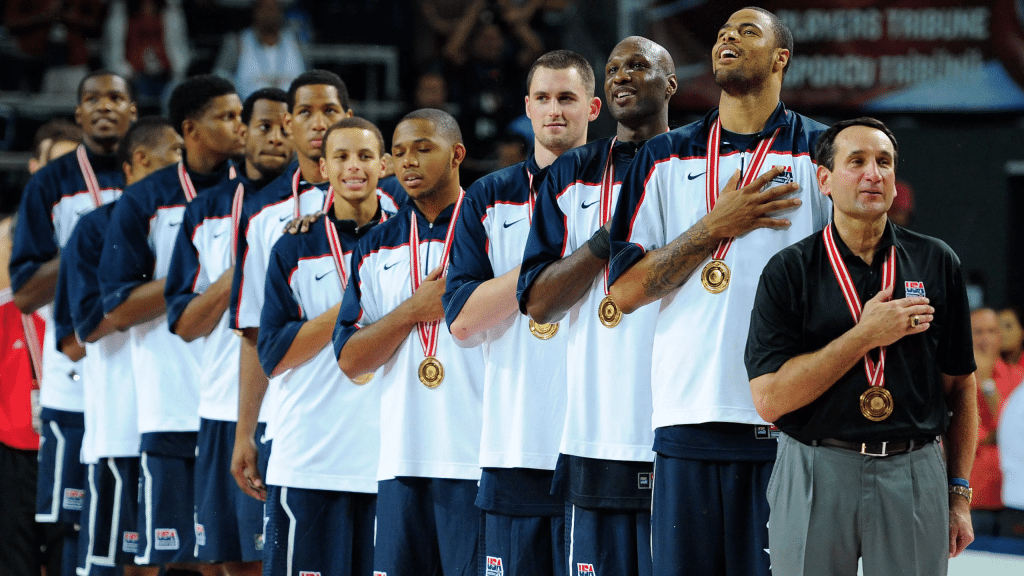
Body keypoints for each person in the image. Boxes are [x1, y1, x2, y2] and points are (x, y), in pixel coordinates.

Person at [606, 8, 831, 575]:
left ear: (782, 58)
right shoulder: (663, 156)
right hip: (688, 417)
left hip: (792, 423)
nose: (728, 36)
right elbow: (625, 292)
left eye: (748, 30)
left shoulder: (820, 153)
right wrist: (714, 226)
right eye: (722, 31)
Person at [745, 117, 977, 575]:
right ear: (825, 180)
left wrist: (959, 493)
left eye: (884, 162)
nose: (874, 173)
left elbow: (961, 387)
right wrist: (864, 335)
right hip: (815, 465)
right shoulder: (789, 270)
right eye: (857, 161)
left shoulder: (936, 261)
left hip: (914, 470)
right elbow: (770, 400)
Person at [516, 37, 676, 576]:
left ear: (671, 84)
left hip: (683, 426)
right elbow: (538, 303)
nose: (622, 76)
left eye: (638, 65)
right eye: (612, 69)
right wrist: (609, 238)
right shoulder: (571, 173)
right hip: (597, 429)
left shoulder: (698, 165)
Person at [444, 49, 600, 575]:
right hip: (517, 442)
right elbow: (463, 319)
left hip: (604, 439)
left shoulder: (625, 186)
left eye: (568, 98)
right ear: (527, 107)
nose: (555, 109)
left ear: (593, 108)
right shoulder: (489, 196)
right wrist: (557, 265)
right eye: (543, 98)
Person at [99, 74, 242, 574]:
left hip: (239, 403)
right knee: (172, 559)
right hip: (172, 402)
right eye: (227, 117)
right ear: (192, 129)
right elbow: (115, 308)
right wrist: (194, 278)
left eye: (242, 115)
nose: (241, 127)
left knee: (235, 554)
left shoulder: (255, 195)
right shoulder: (145, 199)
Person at [333, 109, 484, 576]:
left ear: (457, 154)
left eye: (423, 148)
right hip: (401, 458)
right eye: (398, 153)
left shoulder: (491, 228)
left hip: (480, 456)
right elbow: (351, 359)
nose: (408, 162)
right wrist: (411, 312)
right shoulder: (375, 245)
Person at [9, 69, 137, 576]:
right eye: (93, 99)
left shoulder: (153, 177)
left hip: (140, 367)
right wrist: (90, 248)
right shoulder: (49, 184)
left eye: (117, 97)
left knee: (136, 517)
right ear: (79, 112)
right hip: (75, 369)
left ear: (133, 109)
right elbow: (23, 292)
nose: (105, 106)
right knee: (70, 520)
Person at [226, 70, 355, 567]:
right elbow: (254, 332)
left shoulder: (394, 207)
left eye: (330, 111)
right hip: (300, 427)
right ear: (288, 123)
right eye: (305, 112)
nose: (319, 123)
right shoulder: (264, 219)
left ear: (349, 116)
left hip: (381, 426)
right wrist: (245, 432)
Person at [257, 117, 395, 575]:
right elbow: (273, 357)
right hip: (309, 456)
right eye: (341, 156)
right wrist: (348, 307)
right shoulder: (293, 246)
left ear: (385, 164)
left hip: (389, 458)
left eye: (364, 156)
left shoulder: (408, 238)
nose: (353, 167)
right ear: (322, 168)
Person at [54, 116, 182, 576]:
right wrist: (178, 287)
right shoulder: (95, 228)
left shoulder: (203, 216)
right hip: (123, 425)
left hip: (189, 420)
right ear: (143, 161)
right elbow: (77, 334)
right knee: (126, 567)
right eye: (178, 155)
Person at [162, 91, 275, 573]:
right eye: (260, 125)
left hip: (287, 407)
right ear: (242, 132)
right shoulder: (204, 210)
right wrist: (241, 274)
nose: (273, 136)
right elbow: (184, 324)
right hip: (218, 405)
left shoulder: (317, 205)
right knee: (222, 561)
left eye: (281, 125)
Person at [970, 307, 1022, 536]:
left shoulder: (1017, 376)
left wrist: (987, 382)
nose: (985, 338)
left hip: (1009, 500)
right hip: (968, 498)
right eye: (977, 331)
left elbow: (1010, 431)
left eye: (991, 331)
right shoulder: (951, 378)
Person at [213, 0, 307, 100]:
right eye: (264, 8)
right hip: (247, 111)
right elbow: (219, 77)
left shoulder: (296, 42)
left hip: (289, 111)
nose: (269, 13)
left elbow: (310, 79)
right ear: (255, 12)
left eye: (272, 9)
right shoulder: (238, 42)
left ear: (281, 12)